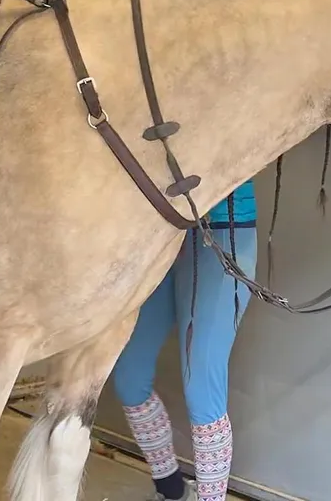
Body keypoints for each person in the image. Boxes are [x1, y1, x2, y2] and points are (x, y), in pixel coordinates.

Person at [111, 180, 258, 501]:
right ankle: (172, 491)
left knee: (202, 389)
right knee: (128, 377)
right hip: (164, 233)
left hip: (224, 231)